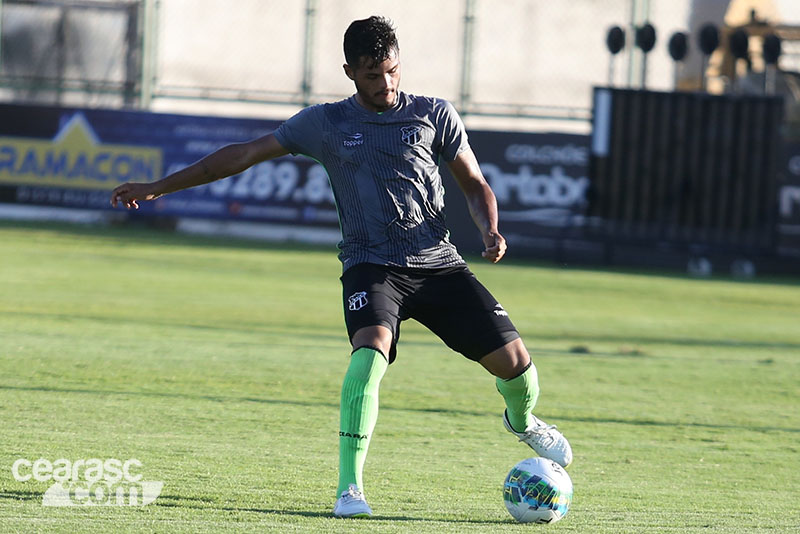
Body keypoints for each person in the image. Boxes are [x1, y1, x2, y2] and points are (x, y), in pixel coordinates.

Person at [110, 15, 572, 519]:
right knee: (367, 357)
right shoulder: (324, 123)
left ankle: (522, 421)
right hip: (371, 266)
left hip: (439, 265)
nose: (385, 84)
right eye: (372, 75)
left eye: (392, 71)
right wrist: (158, 186)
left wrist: (489, 228)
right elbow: (241, 155)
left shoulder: (433, 114)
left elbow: (474, 183)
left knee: (519, 368)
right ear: (349, 71)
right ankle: (350, 488)